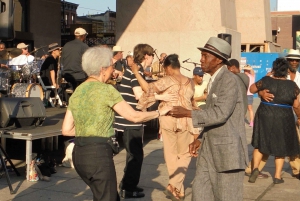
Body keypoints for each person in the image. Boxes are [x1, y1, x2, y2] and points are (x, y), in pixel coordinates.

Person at [62, 46, 171, 201]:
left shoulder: (78, 91)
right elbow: (134, 117)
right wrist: (160, 112)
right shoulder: (107, 90)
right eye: (112, 66)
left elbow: (66, 130)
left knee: (105, 195)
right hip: (98, 156)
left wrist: (88, 128)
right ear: (102, 69)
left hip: (79, 155)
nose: (114, 71)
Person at [169, 37, 248, 201]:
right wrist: (201, 138)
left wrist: (187, 112)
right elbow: (213, 115)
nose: (201, 59)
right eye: (202, 55)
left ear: (218, 59)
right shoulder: (214, 80)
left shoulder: (230, 81)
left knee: (226, 197)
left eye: (205, 56)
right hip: (209, 151)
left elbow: (220, 113)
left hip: (228, 154)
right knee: (200, 194)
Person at [131, 53, 200, 201]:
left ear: (168, 67)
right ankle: (179, 190)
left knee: (171, 155)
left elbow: (147, 91)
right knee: (185, 154)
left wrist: (149, 102)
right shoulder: (190, 82)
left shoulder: (165, 81)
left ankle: (173, 185)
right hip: (187, 120)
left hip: (168, 118)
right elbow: (192, 101)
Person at [248, 57, 300, 184]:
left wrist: (261, 90)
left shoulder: (266, 80)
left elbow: (251, 89)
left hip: (265, 113)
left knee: (261, 142)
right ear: (286, 70)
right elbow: (296, 104)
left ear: (274, 69)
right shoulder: (292, 85)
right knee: (281, 146)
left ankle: (255, 169)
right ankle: (277, 176)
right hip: (284, 116)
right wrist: (298, 117)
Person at [113, 43, 155, 199]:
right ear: (146, 56)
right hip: (130, 121)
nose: (152, 59)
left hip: (128, 119)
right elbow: (139, 95)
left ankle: (127, 184)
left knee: (133, 154)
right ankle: (128, 188)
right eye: (152, 56)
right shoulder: (134, 72)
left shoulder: (134, 71)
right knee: (135, 155)